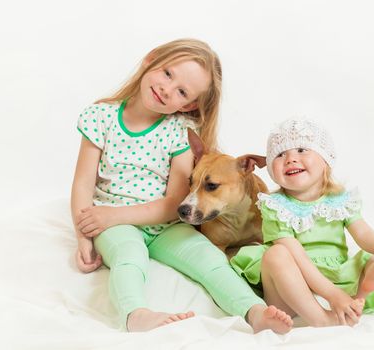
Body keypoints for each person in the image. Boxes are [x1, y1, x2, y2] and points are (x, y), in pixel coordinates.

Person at [71, 38, 293, 333]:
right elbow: (83, 184)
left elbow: (173, 202)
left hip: (164, 224)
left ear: (188, 104)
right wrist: (84, 236)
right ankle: (135, 314)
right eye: (167, 74)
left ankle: (255, 311)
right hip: (113, 224)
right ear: (150, 60)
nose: (167, 89)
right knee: (129, 256)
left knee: (210, 259)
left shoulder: (180, 132)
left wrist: (113, 216)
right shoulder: (101, 117)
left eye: (182, 91)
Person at [230, 119, 374, 327]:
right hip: (292, 290)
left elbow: (364, 234)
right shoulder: (275, 206)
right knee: (276, 254)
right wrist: (332, 295)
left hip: (338, 280)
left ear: (325, 160)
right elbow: (295, 255)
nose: (290, 159)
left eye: (302, 149)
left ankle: (361, 294)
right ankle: (322, 318)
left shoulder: (340, 200)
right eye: (279, 154)